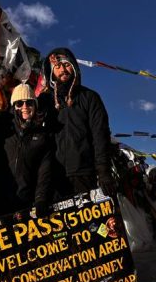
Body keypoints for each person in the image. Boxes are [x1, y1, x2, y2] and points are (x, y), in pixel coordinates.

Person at [38, 47, 115, 197]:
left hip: (84, 173)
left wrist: (104, 172)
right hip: (54, 178)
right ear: (52, 72)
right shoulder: (45, 102)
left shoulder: (90, 97)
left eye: (67, 65)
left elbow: (100, 136)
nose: (63, 70)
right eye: (58, 67)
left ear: (74, 67)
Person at [0, 83, 53, 216]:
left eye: (29, 103)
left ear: (35, 106)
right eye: (19, 103)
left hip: (27, 204)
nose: (25, 107)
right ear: (13, 107)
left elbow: (44, 171)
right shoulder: (1, 131)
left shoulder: (42, 136)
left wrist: (41, 199)